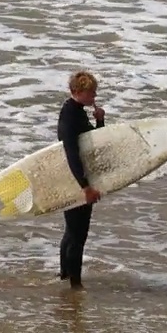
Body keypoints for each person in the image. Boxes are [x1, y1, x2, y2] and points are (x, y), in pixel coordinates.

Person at [57, 70, 105, 290]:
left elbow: (91, 146)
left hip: (77, 176)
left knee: (71, 231)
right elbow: (72, 153)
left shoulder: (78, 111)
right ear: (77, 91)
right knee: (78, 234)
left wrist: (100, 121)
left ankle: (65, 275)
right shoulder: (69, 115)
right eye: (91, 93)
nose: (94, 96)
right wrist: (85, 187)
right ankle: (75, 285)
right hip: (75, 178)